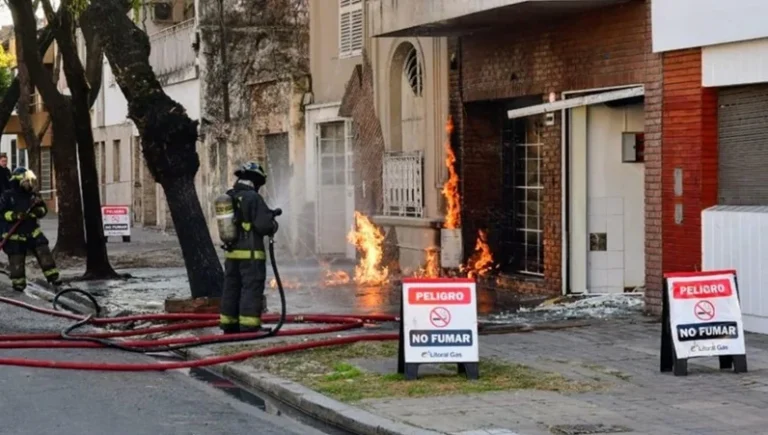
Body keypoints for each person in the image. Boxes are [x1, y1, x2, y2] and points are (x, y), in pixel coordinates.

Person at [219, 161, 278, 334]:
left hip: (231, 254)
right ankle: (249, 325)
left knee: (231, 287)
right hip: (251, 254)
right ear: (255, 180)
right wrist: (273, 223)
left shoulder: (230, 196)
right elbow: (264, 226)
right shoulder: (253, 198)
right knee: (251, 288)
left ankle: (229, 324)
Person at [0, 167, 61, 292]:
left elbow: (43, 210)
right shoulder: (7, 196)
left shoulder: (33, 196)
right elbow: (2, 213)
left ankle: (54, 279)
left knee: (44, 252)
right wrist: (15, 216)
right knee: (17, 266)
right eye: (27, 181)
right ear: (19, 181)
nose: (29, 184)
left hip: (33, 232)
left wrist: (38, 211)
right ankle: (19, 286)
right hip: (14, 236)